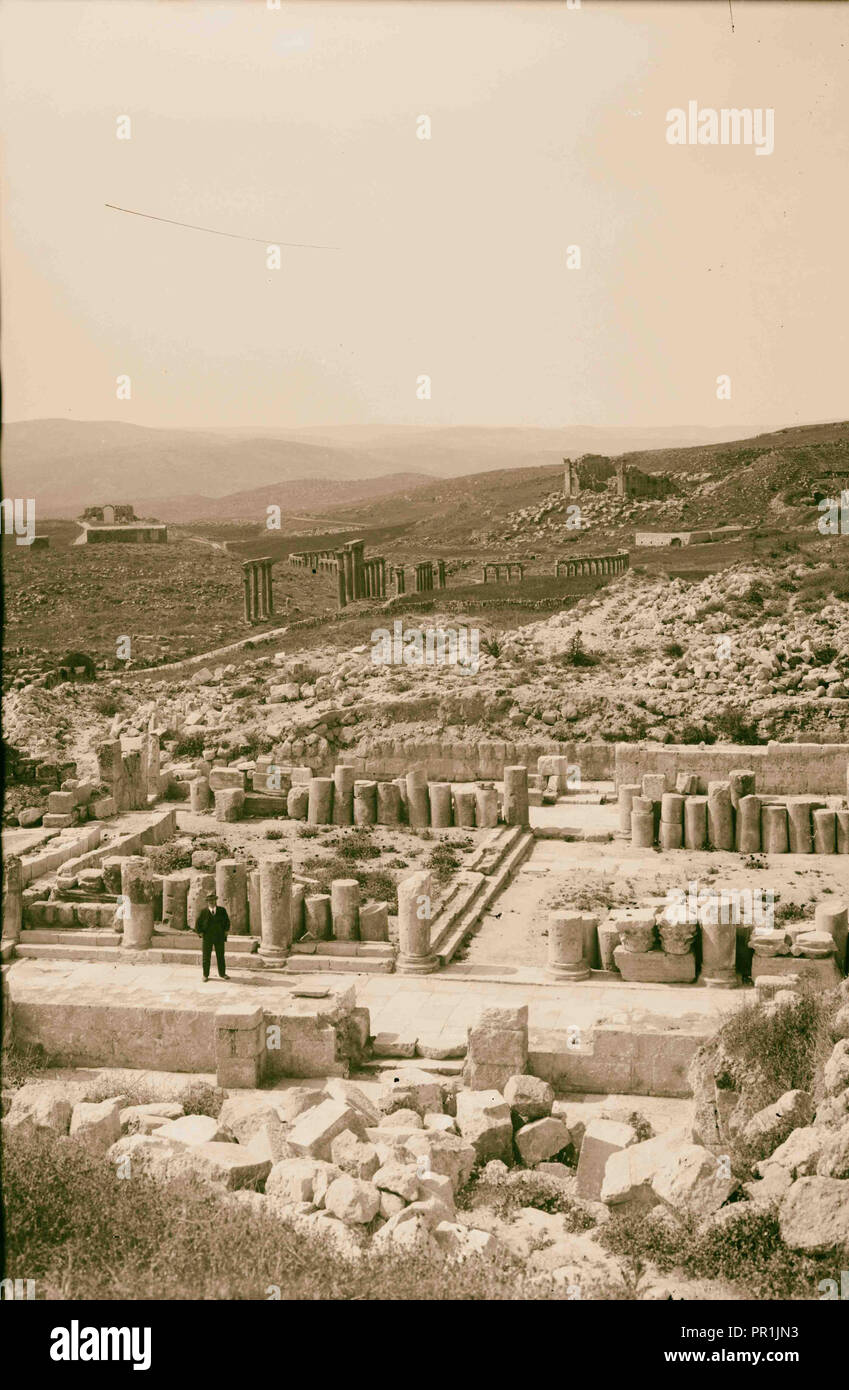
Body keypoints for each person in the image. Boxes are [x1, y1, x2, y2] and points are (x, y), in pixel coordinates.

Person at [194, 889, 231, 981]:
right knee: (206, 957)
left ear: (216, 900)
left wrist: (226, 931)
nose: (211, 902)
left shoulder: (222, 911)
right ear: (207, 901)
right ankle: (205, 975)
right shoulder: (203, 912)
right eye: (209, 900)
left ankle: (222, 974)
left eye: (213, 900)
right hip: (207, 938)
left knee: (220, 956)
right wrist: (200, 933)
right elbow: (197, 924)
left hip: (219, 937)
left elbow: (227, 922)